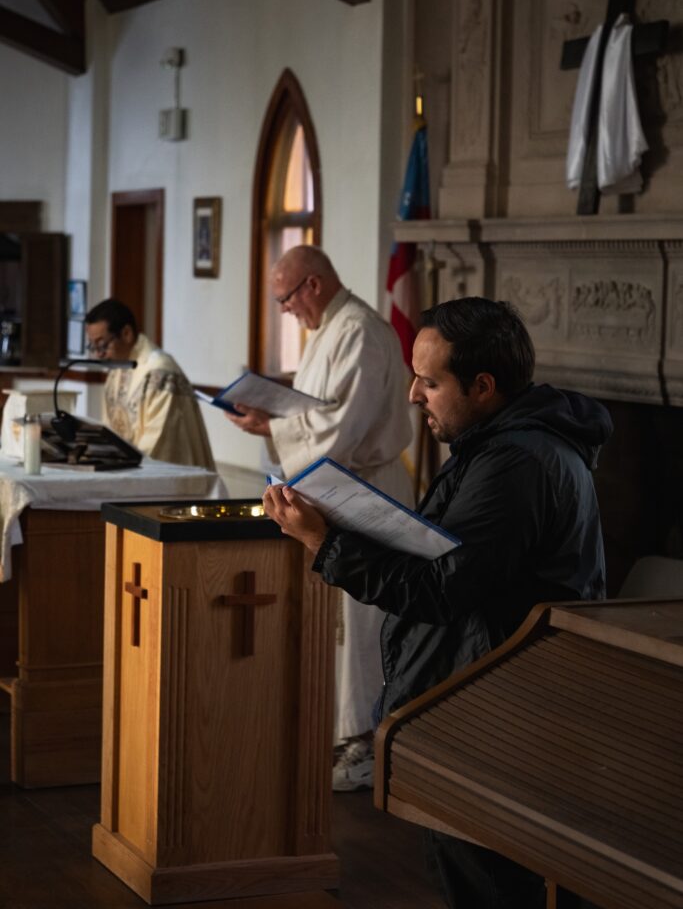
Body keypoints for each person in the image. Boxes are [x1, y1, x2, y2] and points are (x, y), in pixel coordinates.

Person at [263, 296, 613, 909]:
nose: (412, 396)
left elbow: (441, 588)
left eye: (429, 381)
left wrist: (325, 542)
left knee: (491, 882)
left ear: (483, 386)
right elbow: (445, 561)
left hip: (501, 713)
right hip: (483, 700)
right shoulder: (496, 445)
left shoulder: (518, 461)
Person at [225, 245, 413, 791]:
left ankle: (365, 747)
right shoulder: (330, 330)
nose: (285, 309)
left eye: (286, 298)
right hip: (337, 490)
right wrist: (273, 419)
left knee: (360, 624)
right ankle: (338, 734)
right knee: (339, 624)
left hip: (366, 490)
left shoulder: (359, 331)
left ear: (312, 284)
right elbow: (316, 412)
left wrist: (275, 428)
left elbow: (341, 430)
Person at [84, 298, 216, 471]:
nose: (99, 355)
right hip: (126, 471)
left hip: (168, 477)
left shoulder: (160, 372)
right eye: (93, 347)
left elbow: (160, 441)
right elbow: (110, 430)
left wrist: (121, 466)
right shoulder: (117, 370)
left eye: (102, 345)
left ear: (126, 333)